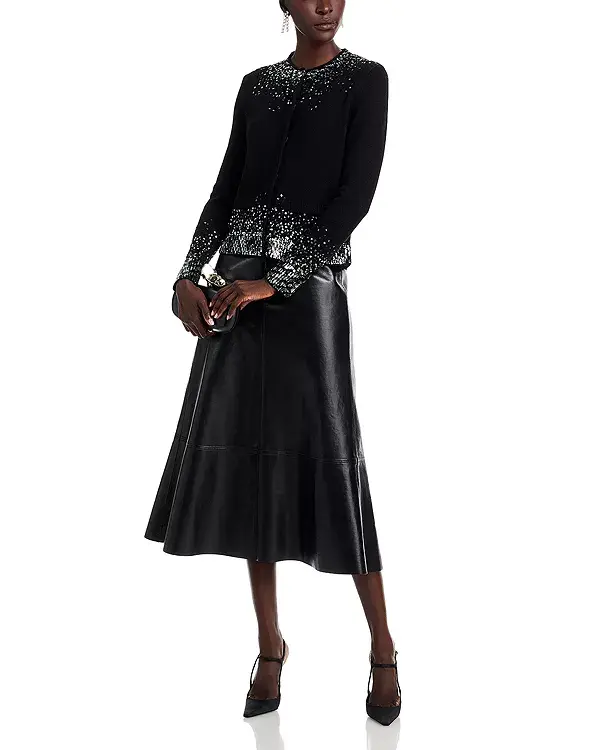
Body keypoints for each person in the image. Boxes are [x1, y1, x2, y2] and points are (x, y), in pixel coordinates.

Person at [144, 0, 401, 726]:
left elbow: (353, 199)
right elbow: (228, 186)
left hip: (309, 290)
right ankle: (269, 646)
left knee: (333, 458)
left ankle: (383, 647)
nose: (325, 3)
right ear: (283, 2)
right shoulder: (256, 85)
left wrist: (278, 280)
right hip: (234, 287)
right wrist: (187, 276)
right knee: (252, 463)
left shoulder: (366, 80)